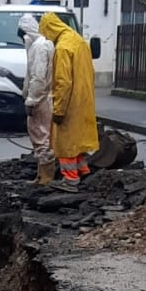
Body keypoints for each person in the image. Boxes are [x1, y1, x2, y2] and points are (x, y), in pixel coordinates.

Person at [38, 12, 99, 193]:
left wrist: (59, 109)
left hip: (70, 101)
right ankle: (83, 170)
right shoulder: (79, 41)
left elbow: (63, 82)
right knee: (78, 139)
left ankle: (70, 178)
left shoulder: (63, 48)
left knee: (65, 141)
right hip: (84, 98)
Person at [17, 14, 56, 185]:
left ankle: (46, 177)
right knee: (42, 136)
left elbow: (38, 77)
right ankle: (42, 175)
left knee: (41, 137)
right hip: (43, 97)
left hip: (40, 99)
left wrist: (31, 100)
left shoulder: (39, 47)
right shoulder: (40, 45)